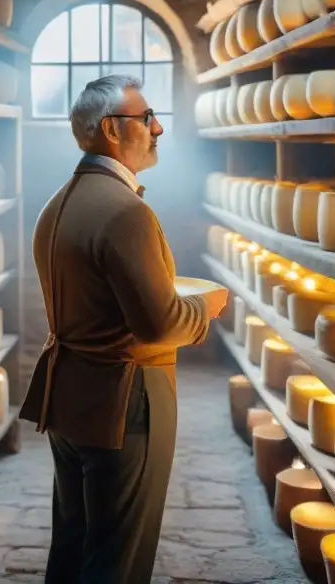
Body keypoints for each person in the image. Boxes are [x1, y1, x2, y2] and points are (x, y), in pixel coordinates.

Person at [19, 74, 227, 583]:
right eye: (146, 118)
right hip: (123, 400)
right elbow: (158, 324)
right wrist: (209, 310)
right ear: (112, 129)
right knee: (119, 558)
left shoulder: (57, 203)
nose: (157, 128)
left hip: (69, 396)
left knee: (72, 546)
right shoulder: (126, 213)